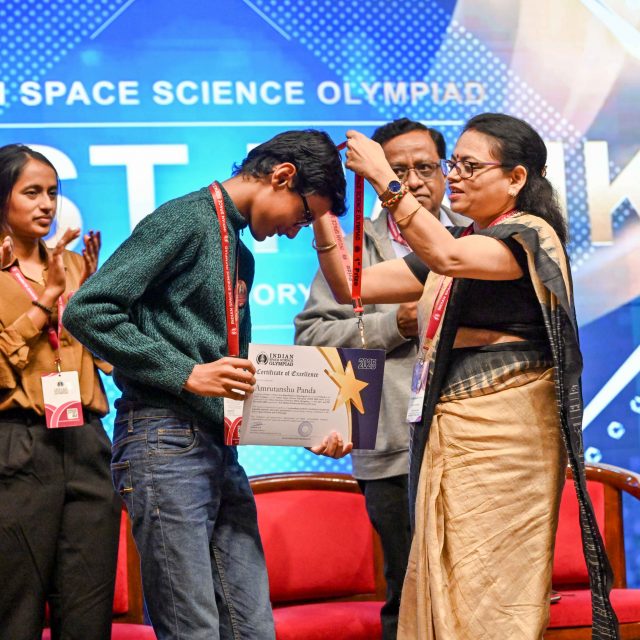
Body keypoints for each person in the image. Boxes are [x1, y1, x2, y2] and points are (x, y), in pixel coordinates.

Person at [310, 114, 618, 639]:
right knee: (442, 587)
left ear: (516, 178)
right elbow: (349, 285)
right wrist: (322, 205)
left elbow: (447, 256)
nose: (453, 176)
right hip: (447, 434)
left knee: (488, 596)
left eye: (469, 166)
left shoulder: (525, 236)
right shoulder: (463, 239)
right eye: (454, 163)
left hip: (505, 444)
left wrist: (385, 177)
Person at [62, 129, 350, 640]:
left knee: (252, 628)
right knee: (191, 628)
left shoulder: (241, 254)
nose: (295, 233)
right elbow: (88, 310)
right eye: (304, 216)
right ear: (283, 176)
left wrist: (299, 424)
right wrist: (185, 372)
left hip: (218, 448)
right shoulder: (185, 219)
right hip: (163, 441)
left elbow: (231, 375)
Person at [294, 118, 468, 639]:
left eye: (425, 167)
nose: (413, 180)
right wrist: (396, 324)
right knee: (408, 591)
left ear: (445, 173)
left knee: (474, 593)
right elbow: (313, 337)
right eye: (397, 169)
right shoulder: (354, 248)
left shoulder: (474, 239)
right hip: (392, 449)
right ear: (375, 178)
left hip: (469, 446)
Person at [0, 144, 120, 640]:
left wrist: (95, 303)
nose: (46, 204)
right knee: (16, 609)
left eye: (52, 192)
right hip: (18, 445)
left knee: (88, 611)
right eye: (31, 192)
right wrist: (44, 302)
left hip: (86, 438)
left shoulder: (73, 265)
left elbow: (109, 359)